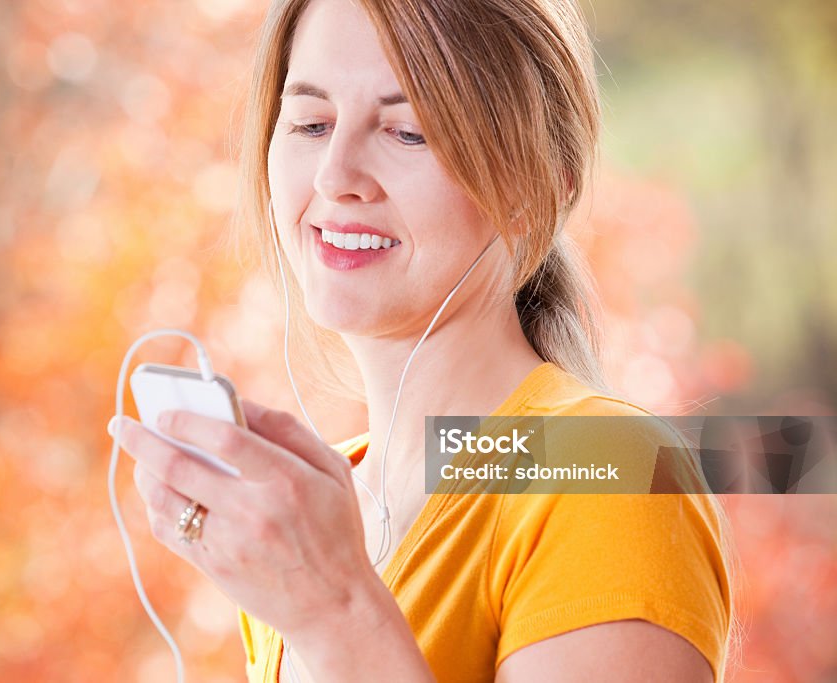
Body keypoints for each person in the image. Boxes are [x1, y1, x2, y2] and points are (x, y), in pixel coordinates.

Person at [113, 0, 736, 680]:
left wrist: (334, 613)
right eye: (311, 123)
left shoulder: (612, 476)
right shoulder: (318, 517)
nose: (334, 176)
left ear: (536, 188)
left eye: (407, 132)